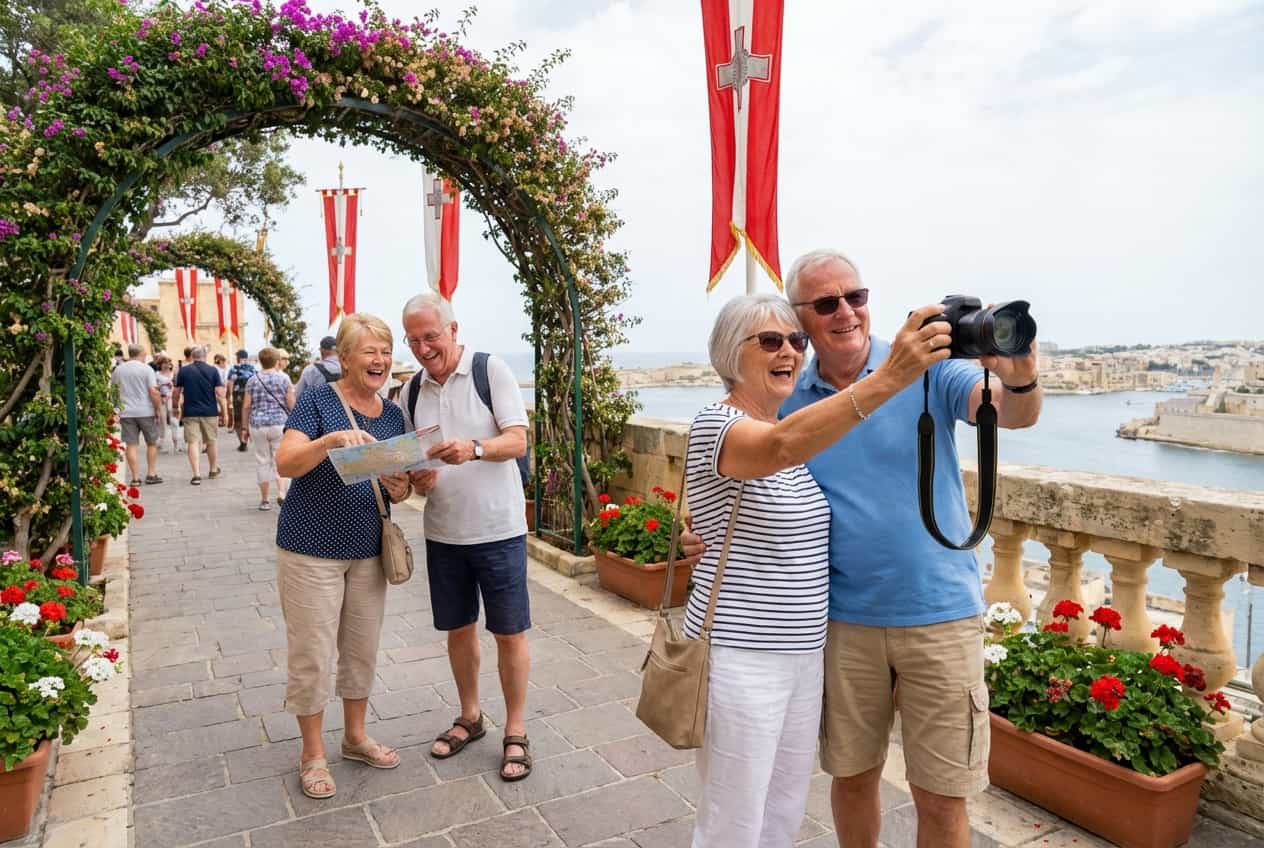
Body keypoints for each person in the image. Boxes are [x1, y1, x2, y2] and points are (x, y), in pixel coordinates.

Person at [779, 250, 1041, 848]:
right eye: (826, 303)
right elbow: (751, 460)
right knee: (851, 779)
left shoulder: (929, 367)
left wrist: (1020, 370)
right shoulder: (792, 395)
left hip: (941, 613)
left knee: (943, 798)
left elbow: (1011, 415)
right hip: (842, 619)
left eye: (856, 296)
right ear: (802, 319)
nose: (847, 311)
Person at [685, 294, 950, 848]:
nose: (790, 351)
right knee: (734, 817)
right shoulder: (719, 423)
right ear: (730, 354)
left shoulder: (786, 425)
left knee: (781, 810)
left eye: (796, 341)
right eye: (771, 341)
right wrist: (890, 377)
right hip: (742, 656)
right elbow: (777, 448)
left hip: (802, 656)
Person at [273, 313, 412, 800]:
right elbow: (286, 462)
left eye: (385, 351)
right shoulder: (317, 400)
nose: (379, 360)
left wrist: (401, 484)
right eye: (369, 351)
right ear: (345, 358)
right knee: (311, 652)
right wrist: (331, 440)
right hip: (309, 547)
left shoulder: (393, 415)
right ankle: (312, 753)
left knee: (360, 648)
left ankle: (354, 737)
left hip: (367, 547)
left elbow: (397, 484)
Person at [398, 292, 533, 782]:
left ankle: (515, 729)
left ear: (453, 329)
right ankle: (470, 716)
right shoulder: (409, 391)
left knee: (509, 632)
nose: (423, 347)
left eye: (430, 336)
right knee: (458, 630)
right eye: (413, 339)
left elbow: (519, 439)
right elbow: (413, 464)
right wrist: (416, 479)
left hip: (498, 528)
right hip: (444, 531)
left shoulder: (488, 370)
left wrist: (475, 447)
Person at [241, 347, 295, 510]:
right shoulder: (284, 379)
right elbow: (292, 404)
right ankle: (282, 493)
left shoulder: (252, 380)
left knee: (262, 461)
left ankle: (264, 500)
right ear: (277, 360)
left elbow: (246, 405)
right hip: (279, 423)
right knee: (280, 459)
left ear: (260, 361)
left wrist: (244, 428)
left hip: (258, 424)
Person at [109, 343, 164, 486]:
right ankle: (151, 474)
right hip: (145, 411)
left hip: (126, 412)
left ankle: (135, 478)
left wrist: (116, 409)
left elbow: (113, 392)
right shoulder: (147, 369)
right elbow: (153, 391)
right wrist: (158, 408)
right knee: (151, 443)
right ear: (142, 354)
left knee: (131, 445)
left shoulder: (118, 370)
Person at [171, 346, 226, 485]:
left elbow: (176, 392)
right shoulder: (213, 370)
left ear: (192, 356)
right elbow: (221, 393)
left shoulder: (183, 370)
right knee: (211, 440)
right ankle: (213, 470)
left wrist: (175, 407)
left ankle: (196, 475)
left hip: (190, 411)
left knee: (192, 442)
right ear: (205, 356)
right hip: (210, 411)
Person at [227, 348, 258, 452]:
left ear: (238, 357)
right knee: (249, 418)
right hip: (251, 395)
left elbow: (231, 383)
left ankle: (242, 442)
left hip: (238, 396)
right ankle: (250, 439)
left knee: (239, 420)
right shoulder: (253, 368)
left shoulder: (234, 369)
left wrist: (230, 396)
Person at [154, 355, 183, 454]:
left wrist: (172, 395)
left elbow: (178, 387)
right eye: (164, 363)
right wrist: (160, 389)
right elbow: (154, 388)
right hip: (161, 399)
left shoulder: (174, 374)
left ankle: (176, 443)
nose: (167, 365)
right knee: (162, 420)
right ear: (160, 364)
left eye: (168, 363)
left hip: (172, 399)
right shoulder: (156, 374)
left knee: (174, 420)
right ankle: (162, 442)